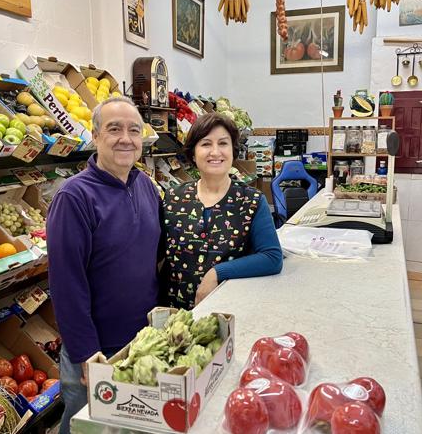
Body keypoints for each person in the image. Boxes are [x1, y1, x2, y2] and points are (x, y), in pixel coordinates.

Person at [47, 97, 161, 434]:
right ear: (95, 137)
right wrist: (85, 351)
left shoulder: (144, 186)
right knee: (85, 426)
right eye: (114, 129)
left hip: (139, 342)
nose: (125, 138)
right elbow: (66, 284)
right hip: (97, 352)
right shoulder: (74, 198)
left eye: (133, 130)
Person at [161, 113, 283, 309]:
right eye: (206, 144)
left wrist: (217, 273)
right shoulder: (173, 198)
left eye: (223, 143)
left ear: (233, 151)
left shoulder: (251, 201)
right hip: (177, 316)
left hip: (230, 312)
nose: (215, 152)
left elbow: (272, 258)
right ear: (193, 153)